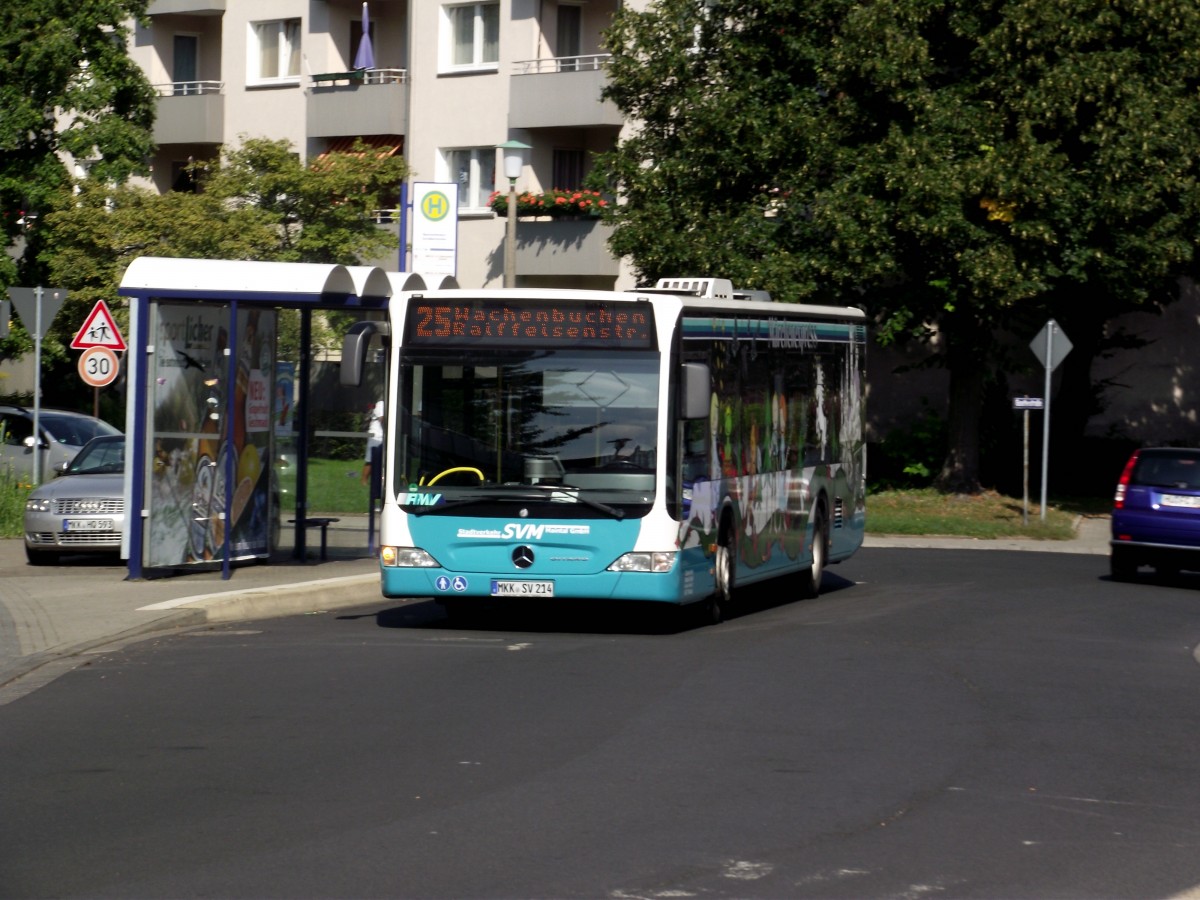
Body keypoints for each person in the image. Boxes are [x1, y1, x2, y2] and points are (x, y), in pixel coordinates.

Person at [361, 401, 384, 486]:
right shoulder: (381, 404)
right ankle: (364, 481)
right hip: (376, 436)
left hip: (384, 436)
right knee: (370, 460)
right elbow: (382, 419)